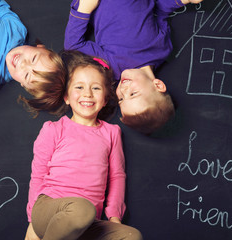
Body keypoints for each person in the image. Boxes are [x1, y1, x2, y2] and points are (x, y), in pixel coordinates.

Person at [24, 50, 143, 240]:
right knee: (81, 210)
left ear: (105, 99)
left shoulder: (111, 133)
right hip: (49, 209)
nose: (87, 93)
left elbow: (117, 176)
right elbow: (37, 173)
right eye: (79, 87)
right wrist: (32, 221)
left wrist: (114, 217)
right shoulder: (54, 129)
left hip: (87, 222)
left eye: (96, 88)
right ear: (66, 97)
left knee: (131, 236)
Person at [64, 0, 203, 134]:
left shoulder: (112, 66)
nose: (123, 90)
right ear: (158, 85)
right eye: (133, 94)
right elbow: (158, 11)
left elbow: (73, 45)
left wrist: (84, 8)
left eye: (121, 99)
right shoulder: (162, 50)